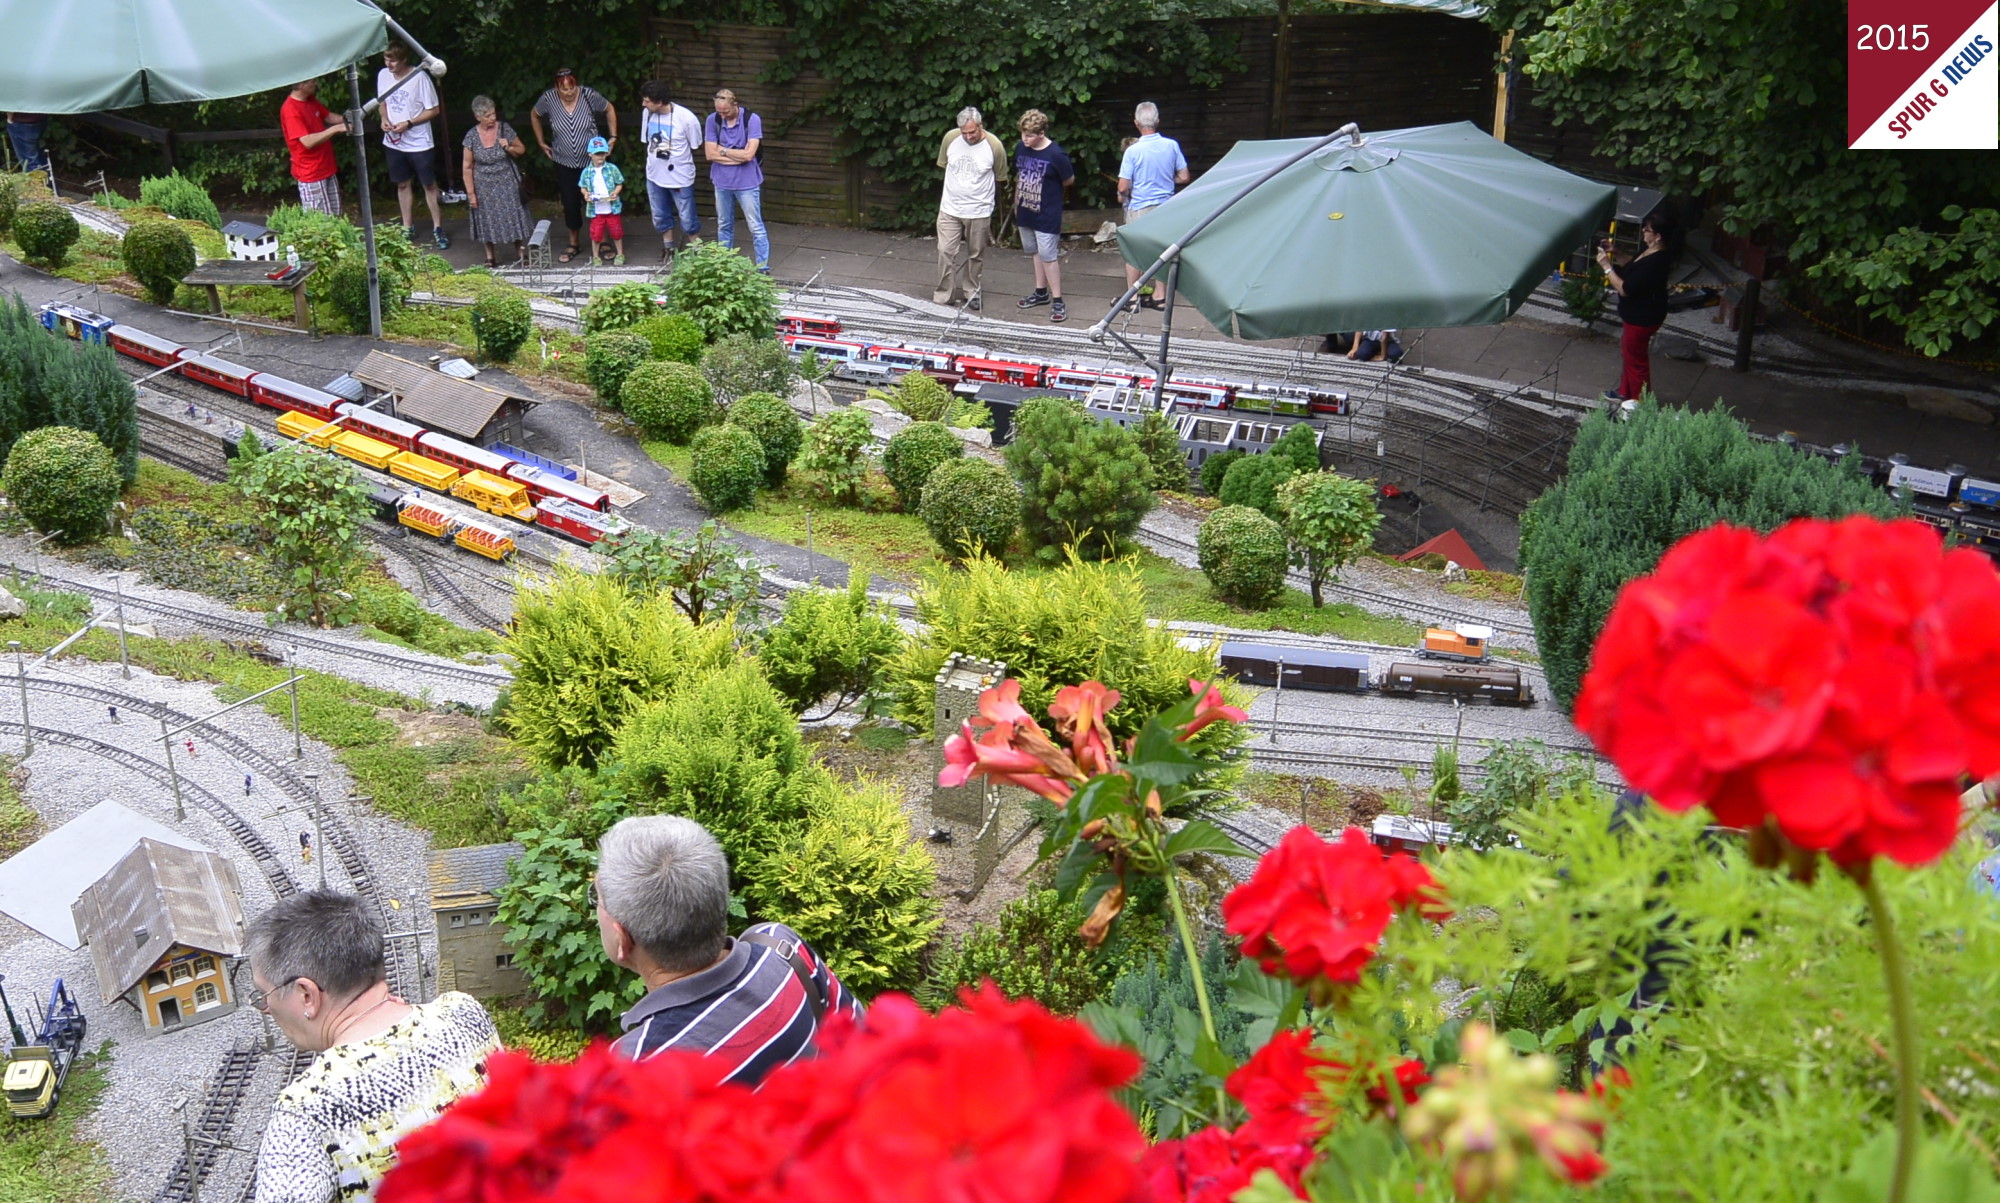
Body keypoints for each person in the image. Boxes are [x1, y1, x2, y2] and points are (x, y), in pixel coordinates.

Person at [248, 891, 498, 1203]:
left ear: (306, 995)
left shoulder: (304, 1111)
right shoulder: (464, 1014)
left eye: (263, 995)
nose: (266, 1008)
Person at [595, 816, 861, 1084]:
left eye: (596, 898)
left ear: (622, 938)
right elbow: (860, 1039)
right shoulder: (781, 947)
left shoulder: (632, 1071)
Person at [531, 68, 617, 264]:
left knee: (599, 198)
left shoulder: (588, 95)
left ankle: (603, 241)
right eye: (564, 89)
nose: (569, 92)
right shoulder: (548, 99)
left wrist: (613, 137)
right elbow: (534, 115)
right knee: (570, 201)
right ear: (556, 87)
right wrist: (541, 141)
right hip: (564, 160)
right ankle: (574, 242)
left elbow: (609, 108)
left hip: (593, 161)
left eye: (572, 88)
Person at [932, 106, 1009, 311]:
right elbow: (944, 165)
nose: (968, 136)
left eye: (972, 132)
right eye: (964, 132)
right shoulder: (950, 138)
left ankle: (972, 291)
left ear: (980, 126)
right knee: (945, 251)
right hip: (950, 207)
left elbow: (1000, 177)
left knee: (976, 254)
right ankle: (943, 294)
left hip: (979, 210)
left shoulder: (994, 146)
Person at [376, 43, 448, 251]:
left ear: (404, 60)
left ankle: (438, 228)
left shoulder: (419, 77)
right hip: (394, 141)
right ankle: (407, 226)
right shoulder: (383, 75)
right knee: (402, 184)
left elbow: (433, 110)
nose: (389, 64)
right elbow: (383, 102)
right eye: (386, 59)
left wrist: (408, 123)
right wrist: (384, 119)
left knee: (428, 185)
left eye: (393, 60)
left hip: (419, 142)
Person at [1117, 101, 1189, 307]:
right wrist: (1165, 180)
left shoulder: (1133, 151)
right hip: (1166, 207)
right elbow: (1184, 177)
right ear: (1157, 122)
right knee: (1162, 249)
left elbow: (1122, 187)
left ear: (1136, 123)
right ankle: (1160, 297)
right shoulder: (1172, 145)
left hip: (1140, 207)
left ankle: (1131, 298)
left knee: (1133, 251)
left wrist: (1131, 188)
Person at [1597, 213, 1673, 402]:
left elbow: (1625, 289)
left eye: (1647, 230)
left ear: (1658, 236)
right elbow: (1633, 266)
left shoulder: (1656, 262)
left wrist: (1607, 267)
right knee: (1629, 353)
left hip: (1642, 318)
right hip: (1636, 315)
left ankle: (1640, 402)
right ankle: (1625, 391)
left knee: (1636, 360)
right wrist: (1616, 251)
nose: (1643, 232)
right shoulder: (1649, 251)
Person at [1012, 109, 1075, 324]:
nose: (1024, 139)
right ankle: (1041, 292)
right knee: (1035, 253)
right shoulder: (1021, 148)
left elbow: (1069, 180)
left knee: (1049, 256)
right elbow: (1019, 175)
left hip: (1047, 213)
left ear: (1041, 133)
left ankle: (1058, 300)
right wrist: (1016, 203)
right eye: (1023, 134)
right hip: (1025, 210)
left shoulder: (1056, 154)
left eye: (1029, 135)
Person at [460, 95, 532, 268]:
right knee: (486, 218)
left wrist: (508, 147)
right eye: (488, 116)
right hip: (483, 184)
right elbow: (467, 167)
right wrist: (471, 194)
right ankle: (490, 256)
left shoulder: (504, 129)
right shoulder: (471, 136)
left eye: (493, 114)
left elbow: (521, 149)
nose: (493, 118)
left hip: (507, 180)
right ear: (478, 117)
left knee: (514, 216)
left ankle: (521, 252)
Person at [704, 89, 770, 273]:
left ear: (735, 104)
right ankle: (725, 264)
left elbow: (749, 155)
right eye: (719, 112)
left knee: (755, 226)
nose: (722, 115)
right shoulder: (713, 120)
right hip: (721, 181)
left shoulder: (752, 119)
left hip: (747, 182)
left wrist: (723, 151)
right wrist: (737, 156)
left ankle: (762, 267)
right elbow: (709, 154)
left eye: (726, 112)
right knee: (724, 224)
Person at [638, 80, 704, 262]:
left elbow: (695, 145)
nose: (644, 104)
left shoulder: (686, 118)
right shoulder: (647, 114)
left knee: (687, 216)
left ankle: (697, 250)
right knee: (659, 214)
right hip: (654, 174)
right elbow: (646, 140)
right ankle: (668, 247)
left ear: (659, 102)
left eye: (647, 101)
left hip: (679, 176)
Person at [280, 80, 349, 217]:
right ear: (301, 85)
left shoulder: (310, 100)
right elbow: (307, 141)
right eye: (312, 81)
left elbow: (328, 116)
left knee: (336, 216)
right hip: (310, 173)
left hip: (327, 167)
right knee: (320, 221)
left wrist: (348, 119)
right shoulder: (290, 110)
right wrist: (335, 129)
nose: (316, 83)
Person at [579, 136, 625, 265]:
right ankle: (595, 256)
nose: (600, 156)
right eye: (597, 154)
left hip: (611, 207)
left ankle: (620, 253)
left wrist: (615, 192)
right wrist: (586, 194)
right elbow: (582, 186)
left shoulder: (612, 168)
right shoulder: (586, 172)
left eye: (603, 153)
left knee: (616, 231)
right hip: (596, 208)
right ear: (590, 154)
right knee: (596, 233)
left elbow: (619, 183)